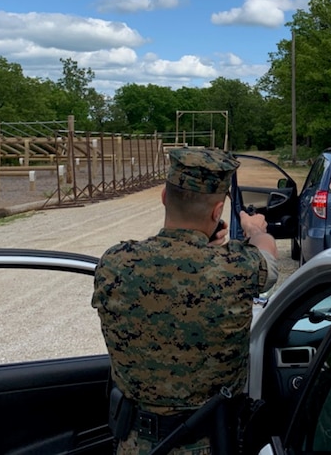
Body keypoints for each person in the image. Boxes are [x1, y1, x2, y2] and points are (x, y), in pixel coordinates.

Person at [92, 147, 279, 455]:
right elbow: (268, 257)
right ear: (218, 211)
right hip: (212, 443)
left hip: (134, 444)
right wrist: (255, 231)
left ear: (165, 196)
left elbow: (163, 258)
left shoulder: (115, 262)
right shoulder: (236, 267)